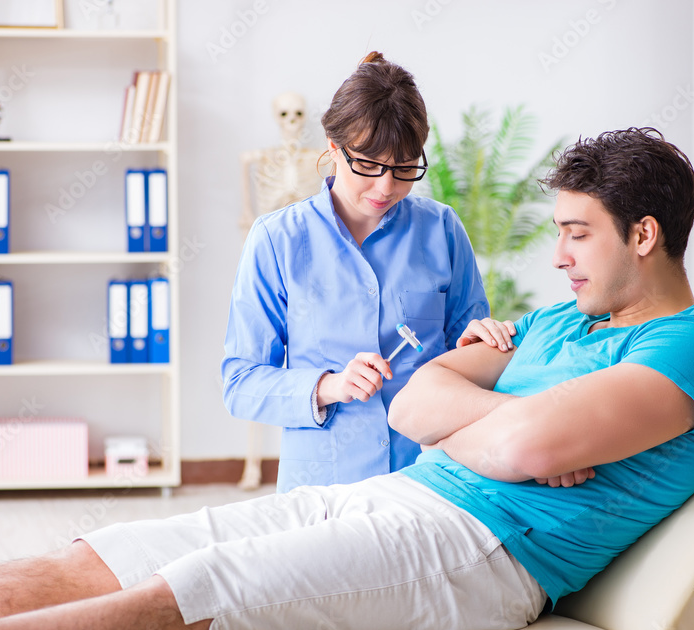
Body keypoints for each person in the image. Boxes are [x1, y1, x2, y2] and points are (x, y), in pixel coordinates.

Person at [0, 128, 694, 630]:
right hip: (408, 493)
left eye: (576, 233)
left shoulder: (688, 352)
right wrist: (514, 423)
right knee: (124, 545)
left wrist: (494, 426)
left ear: (645, 234)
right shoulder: (563, 325)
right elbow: (412, 403)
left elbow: (508, 450)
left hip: (489, 554)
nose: (559, 256)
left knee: (202, 585)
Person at [221, 52, 515, 492]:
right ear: (334, 147)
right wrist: (329, 386)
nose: (385, 187)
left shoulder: (442, 230)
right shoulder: (276, 240)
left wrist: (481, 342)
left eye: (403, 169)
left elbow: (471, 357)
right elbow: (241, 383)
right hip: (323, 487)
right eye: (369, 165)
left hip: (429, 476)